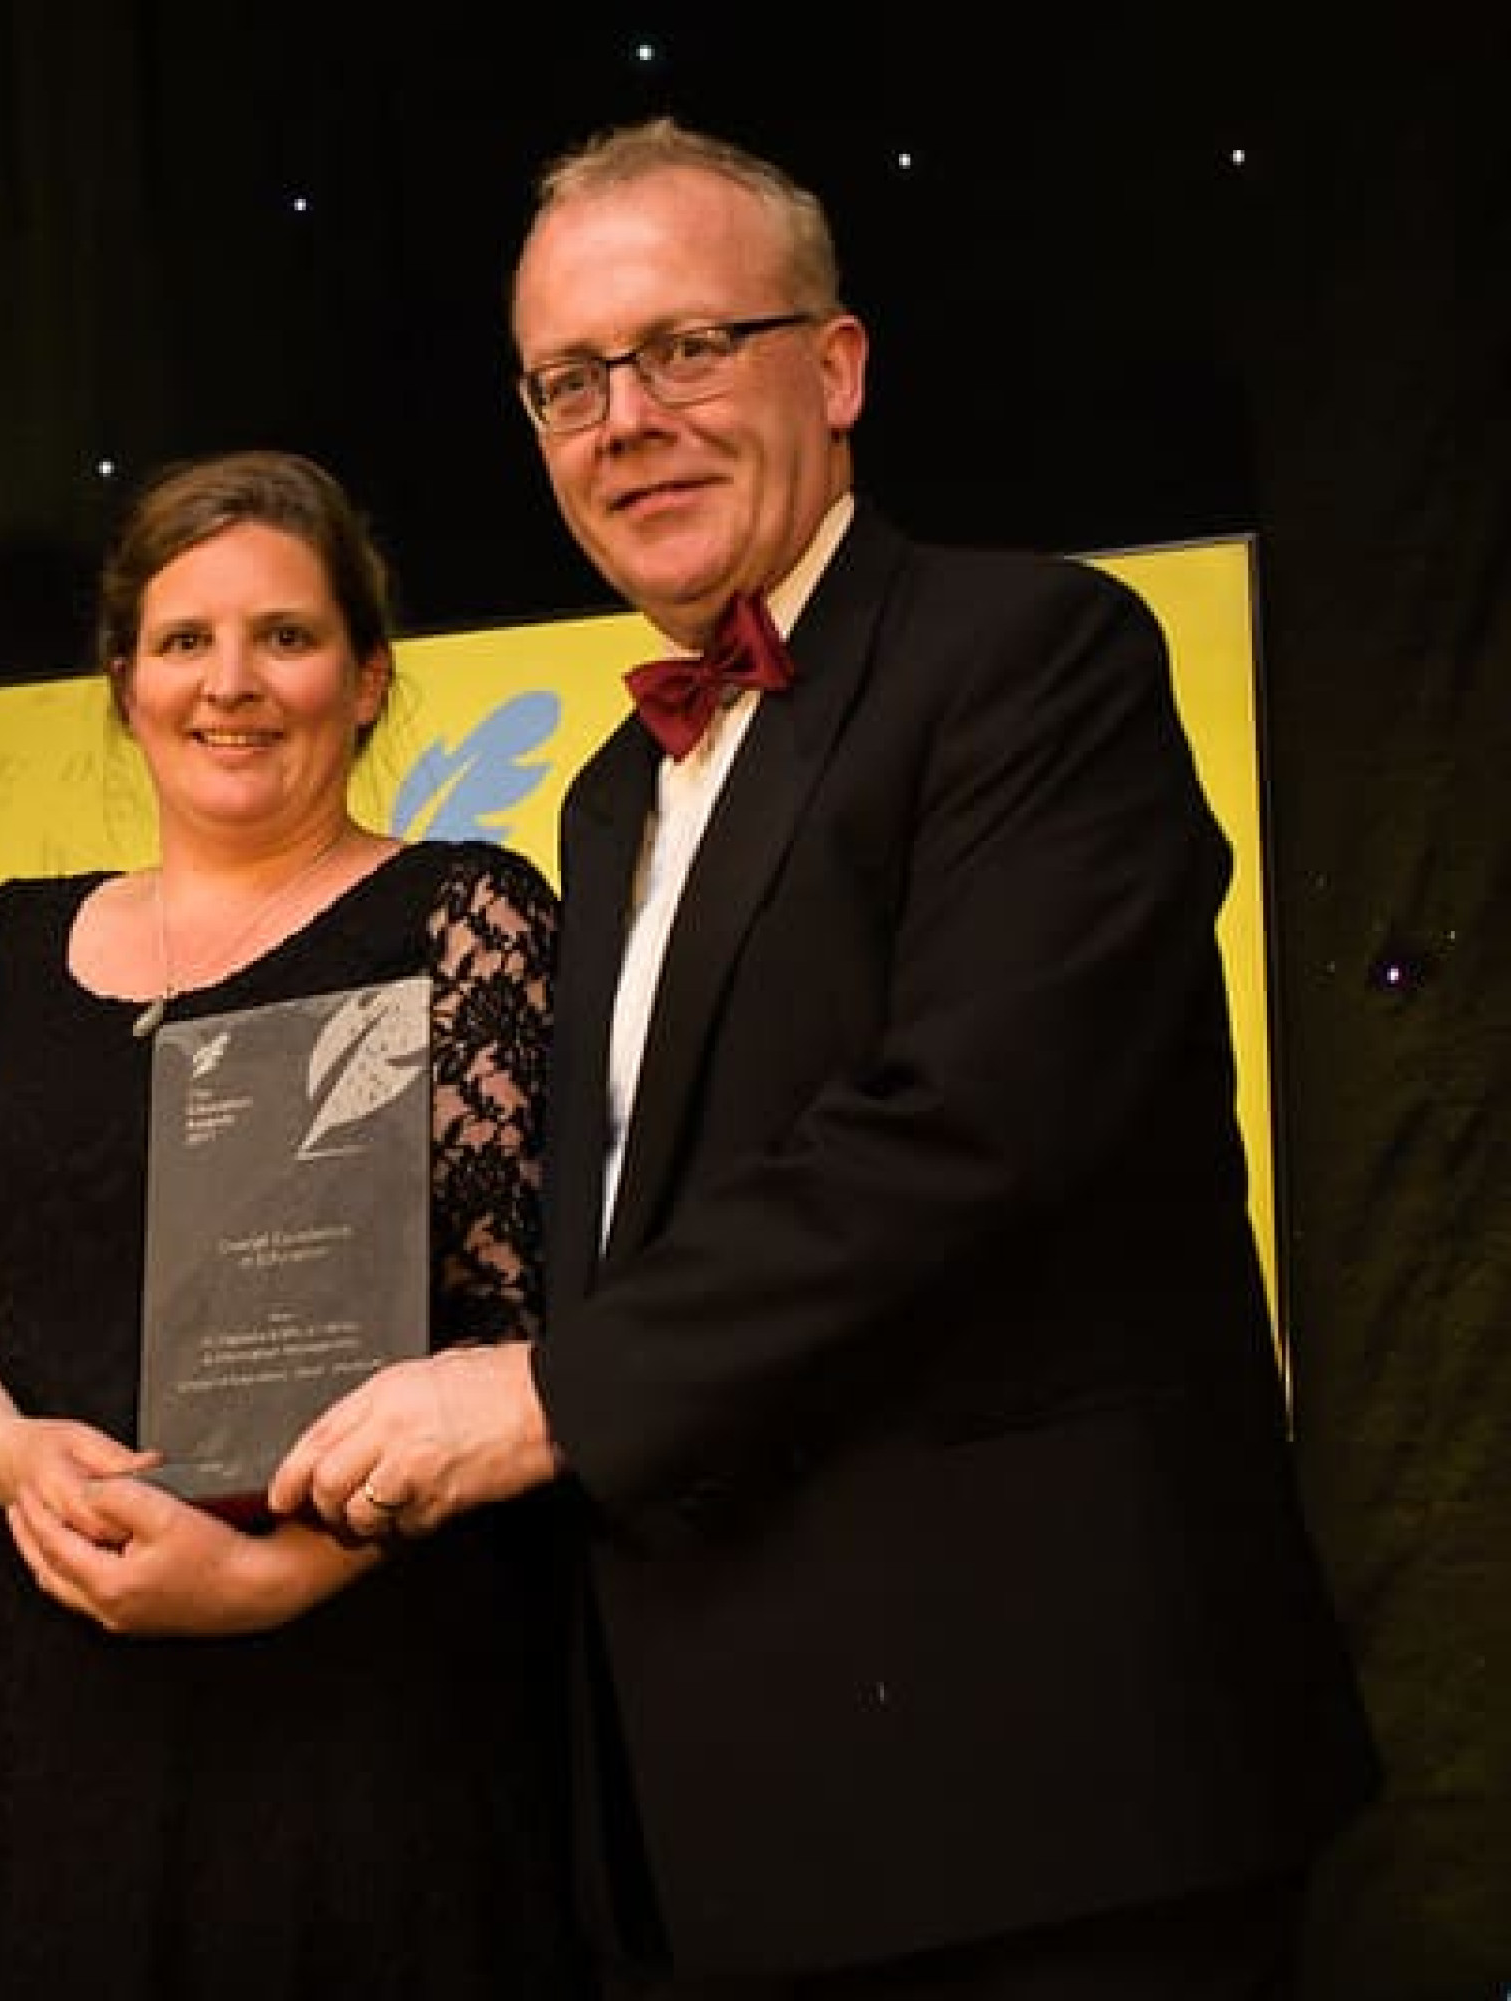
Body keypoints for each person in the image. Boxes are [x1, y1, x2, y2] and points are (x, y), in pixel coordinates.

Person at [270, 116, 1381, 1995]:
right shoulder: (610, 796)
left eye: (689, 347)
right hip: (723, 1801)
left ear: (839, 367)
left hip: (1038, 1789)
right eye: (568, 382)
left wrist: (543, 1392)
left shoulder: (1036, 656)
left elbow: (973, 1128)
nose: (628, 418)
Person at [0, 448, 588, 2000]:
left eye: (286, 636)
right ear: (124, 682)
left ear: (368, 679)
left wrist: (270, 1577)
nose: (231, 682)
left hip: (353, 1729)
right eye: (183, 639)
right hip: (22, 1734)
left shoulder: (467, 916)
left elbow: (520, 1326)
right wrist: (12, 1455)